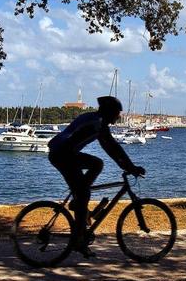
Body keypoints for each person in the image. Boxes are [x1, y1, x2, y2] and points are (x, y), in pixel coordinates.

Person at [48, 95, 145, 257]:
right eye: (117, 113)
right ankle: (78, 239)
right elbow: (113, 149)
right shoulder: (96, 124)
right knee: (86, 187)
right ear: (109, 112)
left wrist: (128, 166)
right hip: (62, 155)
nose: (118, 116)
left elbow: (113, 150)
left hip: (65, 154)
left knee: (95, 166)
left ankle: (78, 202)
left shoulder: (97, 121)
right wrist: (130, 167)